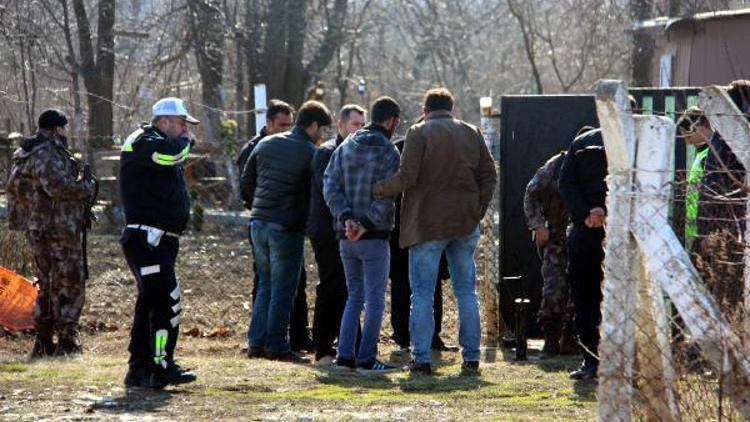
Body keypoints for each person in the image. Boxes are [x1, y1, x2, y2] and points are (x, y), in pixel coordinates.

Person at [373, 88, 497, 375]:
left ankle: (421, 357)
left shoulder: (419, 133)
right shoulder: (472, 132)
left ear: (425, 109)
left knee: (423, 294)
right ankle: (471, 356)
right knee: (466, 291)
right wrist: (479, 207)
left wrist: (377, 189)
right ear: (451, 108)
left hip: (426, 224)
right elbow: (489, 174)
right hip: (465, 223)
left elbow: (407, 177)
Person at [242, 100, 332, 362]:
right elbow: (316, 195)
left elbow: (247, 182)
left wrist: (259, 206)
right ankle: (278, 345)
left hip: (258, 223)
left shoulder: (266, 143)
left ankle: (256, 342)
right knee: (284, 288)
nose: (322, 136)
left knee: (266, 285)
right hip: (286, 226)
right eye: (322, 129)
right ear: (313, 125)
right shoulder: (311, 153)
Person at [119, 98, 199, 388]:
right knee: (167, 302)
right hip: (147, 238)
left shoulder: (158, 141)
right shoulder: (145, 140)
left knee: (150, 303)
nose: (185, 130)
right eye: (182, 123)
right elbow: (168, 156)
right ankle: (162, 366)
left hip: (160, 239)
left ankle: (139, 368)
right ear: (164, 121)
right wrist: (186, 143)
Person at [6, 108, 96, 358]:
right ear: (57, 129)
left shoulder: (26, 153)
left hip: (38, 228)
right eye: (64, 128)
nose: (65, 133)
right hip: (59, 228)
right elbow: (57, 187)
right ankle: (66, 342)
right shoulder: (47, 151)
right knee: (69, 281)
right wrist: (85, 187)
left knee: (47, 284)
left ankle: (44, 341)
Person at [324, 96, 402, 373]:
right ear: (392, 121)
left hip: (346, 236)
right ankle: (367, 358)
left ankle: (345, 357)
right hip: (374, 237)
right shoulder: (391, 153)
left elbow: (330, 185)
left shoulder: (345, 146)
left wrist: (346, 218)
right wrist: (366, 223)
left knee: (353, 296)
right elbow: (388, 195)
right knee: (375, 299)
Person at [307, 104, 367, 365]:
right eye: (356, 124)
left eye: (363, 125)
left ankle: (347, 345)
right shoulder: (327, 152)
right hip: (326, 231)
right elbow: (328, 191)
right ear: (341, 125)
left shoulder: (357, 153)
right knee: (332, 287)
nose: (360, 130)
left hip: (345, 230)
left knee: (347, 288)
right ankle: (322, 348)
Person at [389, 137, 452, 354]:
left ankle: (413, 336)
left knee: (414, 283)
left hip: (408, 226)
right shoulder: (437, 150)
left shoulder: (400, 148)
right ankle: (412, 336)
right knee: (417, 283)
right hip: (419, 226)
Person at [696, 81, 750, 315]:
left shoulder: (728, 136)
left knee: (730, 296)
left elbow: (713, 185)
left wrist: (707, 228)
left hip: (731, 225)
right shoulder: (725, 136)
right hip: (730, 226)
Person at [558, 126, 607, 381]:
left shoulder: (581, 143)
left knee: (584, 296)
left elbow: (565, 183)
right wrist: (605, 211)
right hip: (625, 230)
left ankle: (591, 359)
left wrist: (587, 212)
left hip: (585, 230)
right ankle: (624, 358)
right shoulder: (641, 139)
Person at [523, 150, 578, 358]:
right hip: (556, 235)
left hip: (584, 235)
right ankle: (551, 339)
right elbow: (531, 192)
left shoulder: (601, 165)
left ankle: (572, 338)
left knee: (581, 290)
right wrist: (538, 226)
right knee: (554, 288)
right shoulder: (557, 165)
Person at [676, 107, 711, 250]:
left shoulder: (711, 156)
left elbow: (711, 195)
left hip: (705, 232)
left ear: (701, 127)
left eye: (688, 133)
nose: (685, 138)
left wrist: (708, 232)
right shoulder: (701, 153)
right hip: (695, 231)